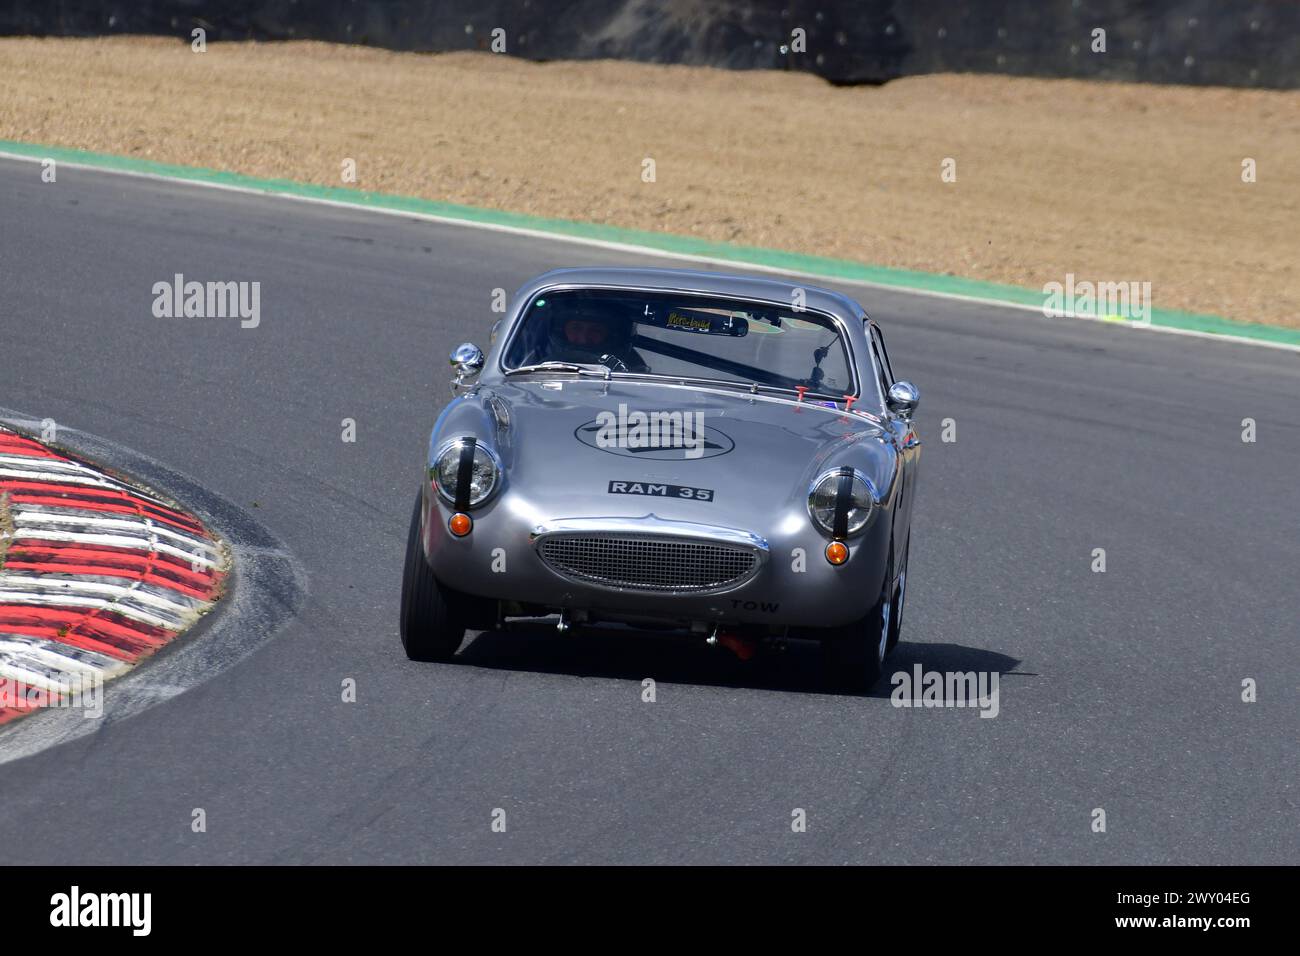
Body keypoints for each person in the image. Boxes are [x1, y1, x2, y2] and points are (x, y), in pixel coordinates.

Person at [545, 300, 649, 371]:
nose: (583, 338)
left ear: (610, 336)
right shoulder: (536, 361)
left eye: (596, 330)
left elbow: (626, 403)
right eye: (576, 328)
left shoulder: (634, 373)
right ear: (562, 331)